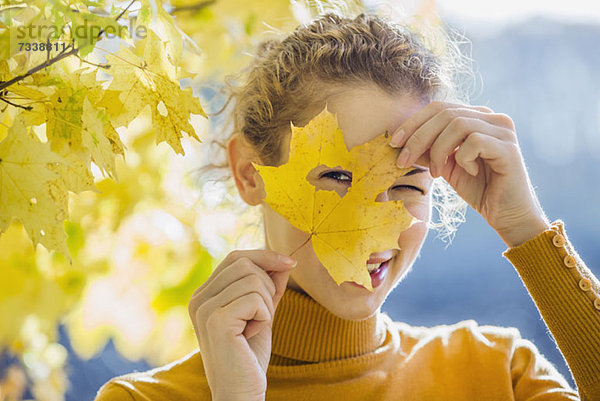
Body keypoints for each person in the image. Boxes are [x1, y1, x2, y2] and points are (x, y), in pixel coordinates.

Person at [94, 11, 600, 401]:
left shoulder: (496, 374)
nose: (372, 231)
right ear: (250, 172)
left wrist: (527, 230)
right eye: (336, 177)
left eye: (407, 187)